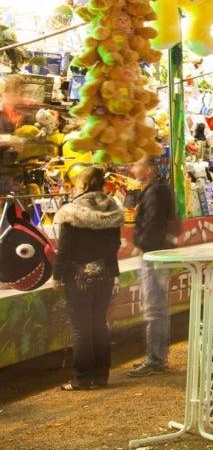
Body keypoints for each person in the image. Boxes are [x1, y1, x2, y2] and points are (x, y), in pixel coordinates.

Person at [51, 164, 124, 390]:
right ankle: (101, 376)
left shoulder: (71, 211)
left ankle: (82, 379)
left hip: (79, 277)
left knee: (81, 328)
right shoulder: (113, 208)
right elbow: (114, 246)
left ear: (82, 185)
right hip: (106, 274)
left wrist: (57, 276)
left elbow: (64, 249)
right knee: (99, 324)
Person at [127, 157, 176, 378]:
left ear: (148, 169)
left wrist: (143, 245)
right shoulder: (157, 189)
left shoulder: (155, 192)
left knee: (154, 308)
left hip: (153, 254)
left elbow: (153, 222)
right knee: (158, 308)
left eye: (136, 165)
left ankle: (155, 358)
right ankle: (157, 356)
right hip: (156, 252)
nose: (132, 169)